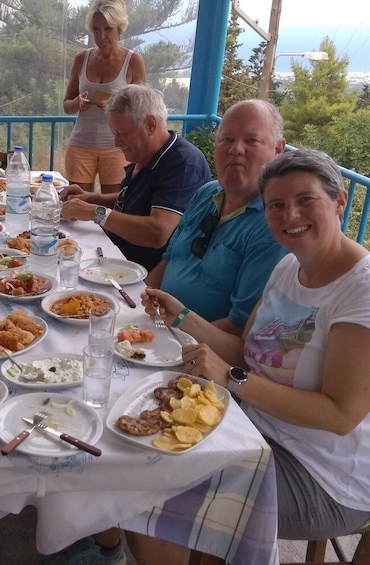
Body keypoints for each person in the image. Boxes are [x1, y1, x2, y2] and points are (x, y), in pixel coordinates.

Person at [130, 149, 370, 565]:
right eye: (276, 205)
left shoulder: (359, 291)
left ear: (338, 201)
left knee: (148, 500)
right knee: (139, 464)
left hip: (325, 473)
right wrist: (183, 316)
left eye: (304, 199)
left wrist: (232, 379)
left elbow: (340, 414)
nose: (289, 214)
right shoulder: (287, 268)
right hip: (252, 430)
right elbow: (249, 352)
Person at [145, 99, 289, 335]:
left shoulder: (272, 224)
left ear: (278, 150)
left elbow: (240, 327)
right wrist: (133, 308)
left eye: (251, 140)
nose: (235, 149)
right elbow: (168, 261)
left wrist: (169, 338)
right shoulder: (206, 193)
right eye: (227, 139)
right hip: (155, 326)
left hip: (198, 351)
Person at [61, 83, 211, 272]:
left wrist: (94, 212)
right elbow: (137, 199)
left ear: (150, 124)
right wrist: (92, 198)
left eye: (122, 133)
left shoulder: (183, 163)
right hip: (117, 260)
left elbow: (157, 233)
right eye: (114, 134)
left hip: (146, 277)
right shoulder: (145, 153)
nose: (117, 142)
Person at [62, 0, 145, 194]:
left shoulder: (133, 61)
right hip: (81, 143)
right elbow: (67, 106)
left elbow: (142, 109)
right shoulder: (82, 58)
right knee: (76, 205)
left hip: (117, 146)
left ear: (120, 30)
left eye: (108, 29)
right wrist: (77, 103)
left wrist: (116, 106)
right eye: (96, 29)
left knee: (116, 208)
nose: (101, 35)